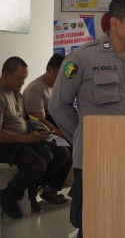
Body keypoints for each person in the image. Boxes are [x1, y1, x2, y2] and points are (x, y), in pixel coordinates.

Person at [50, 0, 125, 238]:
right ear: (114, 23)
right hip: (96, 159)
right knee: (93, 223)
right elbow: (58, 105)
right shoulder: (82, 58)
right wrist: (86, 137)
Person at [0, 57, 72, 219]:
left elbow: (27, 119)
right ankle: (9, 194)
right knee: (38, 164)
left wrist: (40, 133)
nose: (22, 83)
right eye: (19, 79)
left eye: (24, 79)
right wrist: (26, 139)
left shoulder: (16, 94)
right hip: (7, 144)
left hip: (24, 138)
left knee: (62, 153)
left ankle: (33, 189)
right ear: (5, 74)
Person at [23, 53, 71, 205]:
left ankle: (50, 189)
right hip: (39, 131)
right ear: (50, 69)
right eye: (60, 73)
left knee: (74, 146)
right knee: (63, 151)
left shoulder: (57, 87)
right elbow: (39, 120)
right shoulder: (36, 89)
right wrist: (63, 134)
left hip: (53, 128)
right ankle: (41, 186)